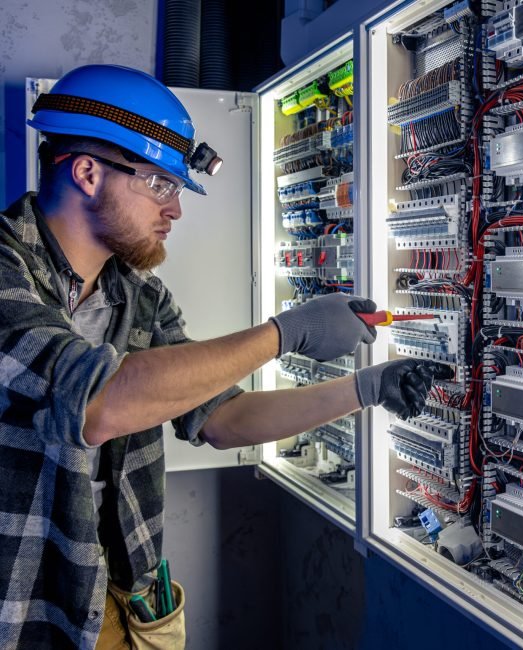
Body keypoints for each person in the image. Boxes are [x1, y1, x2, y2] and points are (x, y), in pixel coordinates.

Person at [0, 64, 451, 649]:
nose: (176, 210)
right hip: (24, 604)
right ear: (87, 172)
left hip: (120, 598)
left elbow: (221, 418)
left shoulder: (137, 294)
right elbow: (96, 404)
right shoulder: (8, 266)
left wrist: (364, 389)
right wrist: (285, 333)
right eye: (161, 184)